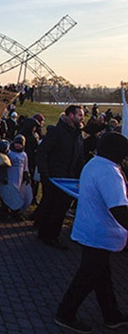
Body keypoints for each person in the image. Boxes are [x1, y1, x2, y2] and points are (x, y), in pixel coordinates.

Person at [54, 132, 128, 333]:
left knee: (101, 276)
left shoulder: (94, 164)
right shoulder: (109, 172)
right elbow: (119, 208)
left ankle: (111, 314)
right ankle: (65, 313)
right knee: (86, 278)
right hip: (101, 234)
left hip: (90, 230)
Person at [35, 105, 84, 249]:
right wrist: (45, 173)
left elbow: (79, 157)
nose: (82, 117)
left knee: (61, 208)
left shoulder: (78, 135)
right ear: (70, 115)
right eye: (79, 115)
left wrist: (81, 173)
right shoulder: (57, 132)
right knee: (53, 206)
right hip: (55, 177)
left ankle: (49, 234)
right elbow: (42, 152)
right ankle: (49, 235)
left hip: (69, 178)